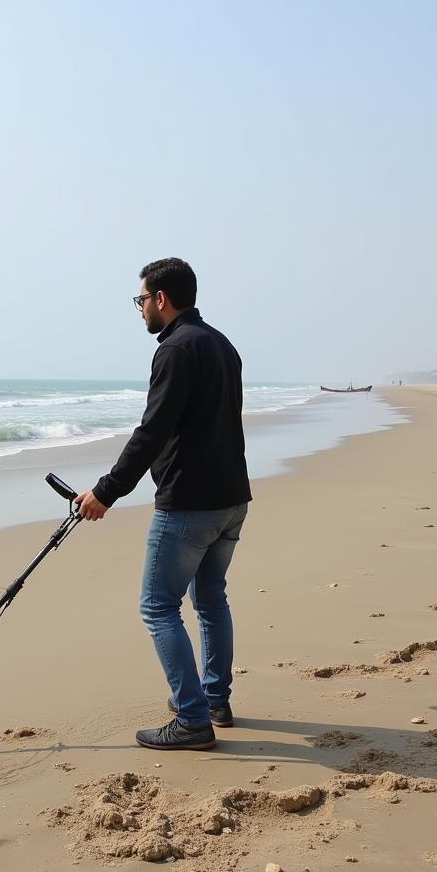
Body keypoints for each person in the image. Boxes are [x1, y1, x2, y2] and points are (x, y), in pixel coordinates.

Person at [74, 258, 251, 751]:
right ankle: (214, 699)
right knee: (211, 599)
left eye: (141, 300)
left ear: (161, 299)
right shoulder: (222, 344)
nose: (140, 310)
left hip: (190, 504)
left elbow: (152, 431)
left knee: (157, 606)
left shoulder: (175, 349)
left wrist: (105, 492)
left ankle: (193, 720)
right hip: (232, 499)